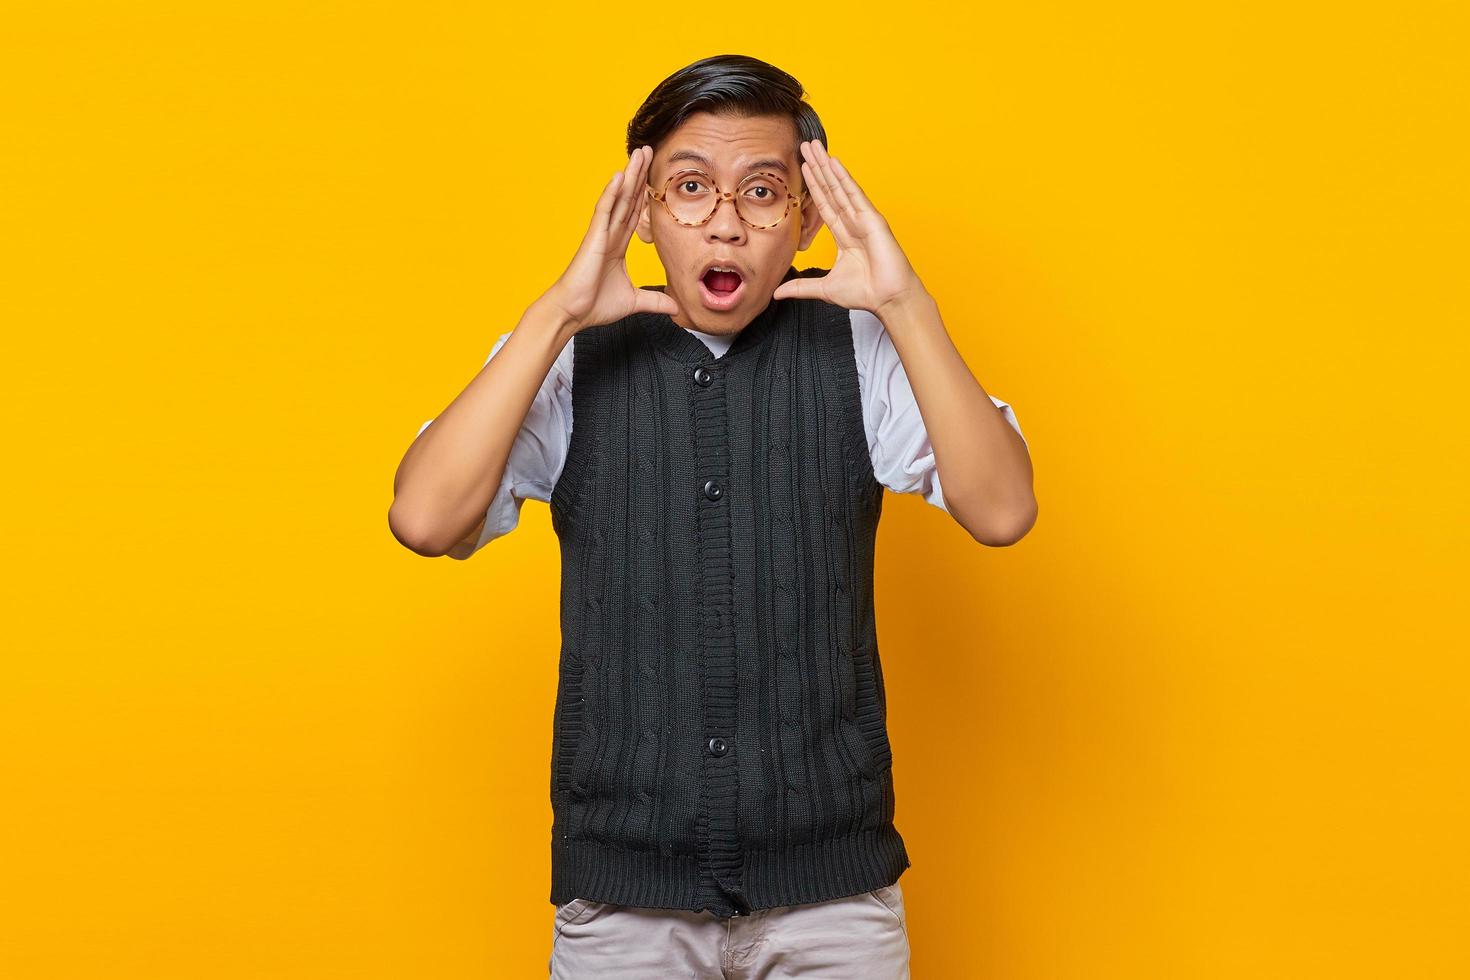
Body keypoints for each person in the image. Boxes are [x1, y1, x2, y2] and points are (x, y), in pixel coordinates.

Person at [390, 53, 1036, 979]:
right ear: (644, 210)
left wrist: (904, 301)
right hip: (621, 902)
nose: (724, 223)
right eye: (688, 189)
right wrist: (558, 313)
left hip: (834, 902)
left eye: (762, 191)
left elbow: (1004, 508)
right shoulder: (570, 355)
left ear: (807, 214)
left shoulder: (861, 346)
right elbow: (424, 518)